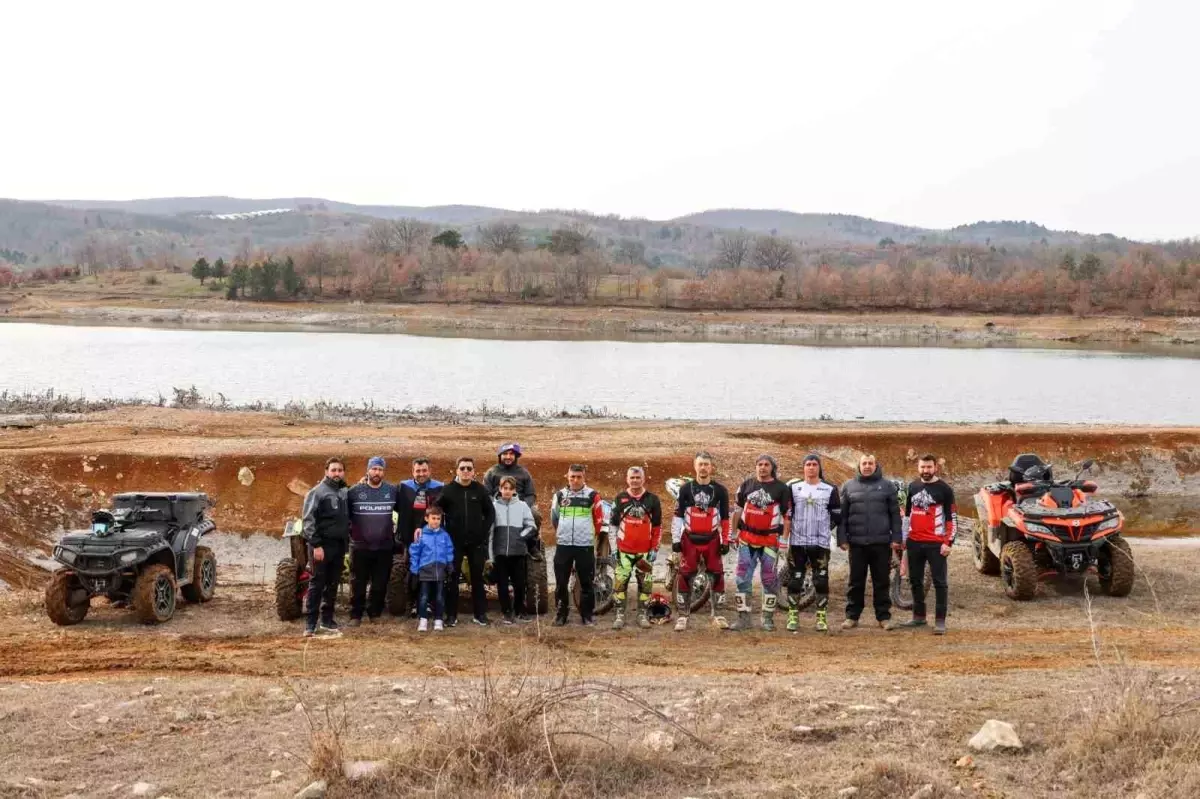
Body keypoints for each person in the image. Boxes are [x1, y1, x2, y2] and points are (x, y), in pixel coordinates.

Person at [837, 454, 903, 631]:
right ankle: (852, 616)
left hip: (881, 543)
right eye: (864, 463)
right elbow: (842, 516)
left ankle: (884, 617)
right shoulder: (848, 486)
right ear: (859, 466)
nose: (867, 466)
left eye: (870, 463)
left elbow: (895, 515)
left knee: (881, 581)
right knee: (855, 581)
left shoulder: (887, 486)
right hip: (856, 544)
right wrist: (842, 538)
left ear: (876, 465)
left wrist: (897, 538)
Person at [730, 454, 792, 632]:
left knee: (769, 579)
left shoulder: (781, 489)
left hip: (770, 541)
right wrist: (733, 533)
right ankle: (743, 618)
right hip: (746, 539)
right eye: (759, 464)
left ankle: (767, 618)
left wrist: (784, 541)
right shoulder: (746, 485)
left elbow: (787, 517)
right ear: (756, 466)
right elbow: (737, 510)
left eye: (766, 464)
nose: (763, 467)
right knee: (742, 578)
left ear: (772, 467)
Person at [670, 451, 731, 631]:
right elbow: (678, 516)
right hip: (689, 539)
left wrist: (725, 540)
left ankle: (718, 614)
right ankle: (683, 616)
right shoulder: (685, 489)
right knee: (685, 575)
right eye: (700, 464)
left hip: (712, 539)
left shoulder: (720, 490)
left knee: (717, 575)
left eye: (706, 464)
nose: (703, 467)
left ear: (711, 467)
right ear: (694, 466)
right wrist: (675, 539)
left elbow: (726, 519)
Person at [900, 454, 956, 635]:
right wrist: (904, 538)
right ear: (918, 468)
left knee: (940, 582)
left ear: (935, 468)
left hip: (936, 543)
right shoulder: (913, 486)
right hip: (914, 542)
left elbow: (952, 518)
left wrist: (949, 542)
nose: (925, 471)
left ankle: (940, 620)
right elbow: (908, 515)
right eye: (922, 467)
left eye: (929, 467)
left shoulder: (945, 489)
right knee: (915, 580)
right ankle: (919, 616)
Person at [437, 456, 495, 627]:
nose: (466, 471)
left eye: (469, 468)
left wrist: (482, 532)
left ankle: (480, 614)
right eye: (462, 468)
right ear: (456, 470)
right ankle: (451, 616)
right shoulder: (448, 490)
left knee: (477, 578)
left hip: (476, 543)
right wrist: (442, 533)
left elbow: (490, 514)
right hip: (454, 542)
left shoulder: (480, 490)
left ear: (474, 471)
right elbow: (436, 510)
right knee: (452, 577)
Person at [786, 453, 841, 633]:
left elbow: (836, 515)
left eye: (814, 464)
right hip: (797, 541)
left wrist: (825, 528)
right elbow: (787, 513)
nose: (811, 467)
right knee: (795, 580)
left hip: (820, 543)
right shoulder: (793, 488)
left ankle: (821, 617)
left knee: (821, 580)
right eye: (808, 464)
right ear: (803, 468)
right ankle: (793, 615)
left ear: (819, 468)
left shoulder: (830, 489)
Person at [346, 456, 402, 627]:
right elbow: (345, 515)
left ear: (383, 472)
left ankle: (374, 613)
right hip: (360, 546)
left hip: (384, 546)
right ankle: (356, 614)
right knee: (358, 582)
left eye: (380, 469)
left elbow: (404, 510)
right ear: (368, 470)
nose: (377, 472)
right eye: (374, 469)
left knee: (380, 583)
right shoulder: (354, 491)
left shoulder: (392, 491)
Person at [300, 457, 350, 637]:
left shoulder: (344, 491)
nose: (336, 473)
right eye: (333, 470)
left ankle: (327, 620)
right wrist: (316, 545)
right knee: (317, 583)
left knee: (332, 584)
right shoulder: (317, 492)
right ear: (326, 471)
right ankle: (310, 624)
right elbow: (308, 520)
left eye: (340, 470)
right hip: (321, 546)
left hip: (339, 545)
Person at [550, 464, 605, 626]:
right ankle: (561, 615)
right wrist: (562, 532)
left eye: (579, 477)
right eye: (572, 476)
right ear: (567, 476)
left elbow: (598, 521)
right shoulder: (559, 495)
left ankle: (587, 616)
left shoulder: (593, 495)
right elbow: (554, 518)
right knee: (561, 583)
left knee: (587, 582)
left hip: (584, 545)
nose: (575, 480)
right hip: (564, 545)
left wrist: (588, 535)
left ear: (584, 477)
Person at [610, 467, 663, 630]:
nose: (635, 480)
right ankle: (619, 615)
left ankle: (642, 615)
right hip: (624, 551)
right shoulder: (620, 498)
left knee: (645, 585)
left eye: (637, 477)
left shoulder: (653, 500)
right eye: (632, 477)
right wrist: (613, 549)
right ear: (627, 479)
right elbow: (612, 526)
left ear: (643, 479)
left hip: (644, 552)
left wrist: (655, 549)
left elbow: (658, 527)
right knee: (620, 584)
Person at [397, 457, 444, 616]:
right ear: (412, 472)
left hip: (432, 537)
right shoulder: (403, 487)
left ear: (429, 471)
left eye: (424, 470)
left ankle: (429, 602)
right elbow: (394, 504)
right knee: (412, 570)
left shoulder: (439, 488)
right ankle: (413, 603)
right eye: (418, 471)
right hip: (410, 537)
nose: (421, 474)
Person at [491, 475, 537, 624]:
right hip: (500, 552)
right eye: (504, 488)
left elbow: (531, 526)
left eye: (510, 489)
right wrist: (491, 555)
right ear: (500, 489)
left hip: (518, 552)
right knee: (502, 585)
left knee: (519, 584)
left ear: (514, 490)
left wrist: (520, 537)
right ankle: (506, 612)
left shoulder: (522, 506)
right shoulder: (494, 506)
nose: (507, 491)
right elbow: (490, 532)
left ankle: (520, 611)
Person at [408, 505, 454, 632]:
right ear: (426, 518)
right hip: (425, 570)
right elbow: (415, 553)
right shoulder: (421, 535)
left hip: (440, 570)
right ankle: (423, 619)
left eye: (438, 519)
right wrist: (414, 570)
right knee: (423, 596)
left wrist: (449, 564)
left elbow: (449, 550)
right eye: (433, 518)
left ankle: (438, 619)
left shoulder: (445, 535)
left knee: (439, 596)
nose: (436, 521)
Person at [483, 442, 537, 507]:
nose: (508, 457)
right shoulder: (491, 472)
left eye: (511, 454)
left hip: (519, 506)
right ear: (500, 456)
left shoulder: (524, 473)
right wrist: (495, 505)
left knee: (535, 515)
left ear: (515, 456)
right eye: (505, 454)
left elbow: (530, 495)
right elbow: (486, 494)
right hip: (497, 506)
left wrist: (523, 507)